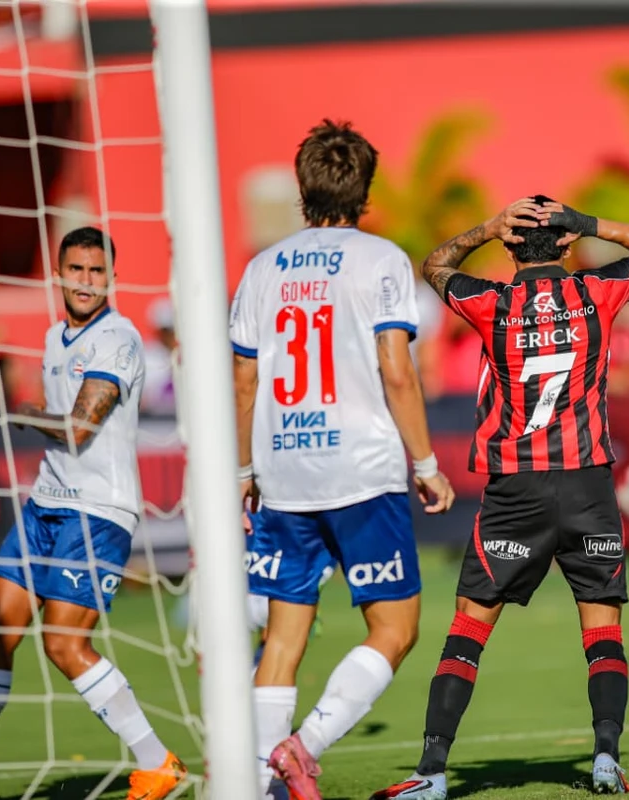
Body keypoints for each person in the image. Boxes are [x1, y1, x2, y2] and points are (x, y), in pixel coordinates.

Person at [370, 196, 629, 800]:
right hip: (588, 484)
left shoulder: (492, 303)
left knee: (469, 627)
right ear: (566, 244)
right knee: (602, 628)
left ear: (511, 249)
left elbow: (434, 266)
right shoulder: (596, 292)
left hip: (516, 489)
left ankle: (432, 772)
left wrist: (485, 229)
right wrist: (587, 223)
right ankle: (606, 759)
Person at [230, 119, 456, 800]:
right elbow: (398, 370)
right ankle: (305, 746)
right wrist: (425, 464)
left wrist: (243, 472)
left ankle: (256, 786)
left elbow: (243, 380)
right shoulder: (381, 258)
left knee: (282, 638)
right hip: (361, 470)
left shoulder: (262, 268)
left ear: (303, 189)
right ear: (365, 189)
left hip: (283, 472)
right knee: (395, 628)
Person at [0, 226, 186, 800]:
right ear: (59, 273)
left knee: (63, 646)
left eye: (98, 271)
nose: (87, 282)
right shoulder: (54, 337)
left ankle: (158, 762)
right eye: (77, 269)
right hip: (45, 503)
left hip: (98, 513)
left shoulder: (118, 339)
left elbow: (79, 427)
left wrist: (23, 411)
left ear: (111, 277)